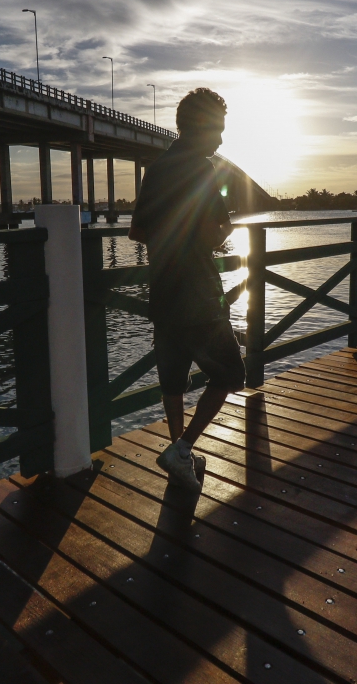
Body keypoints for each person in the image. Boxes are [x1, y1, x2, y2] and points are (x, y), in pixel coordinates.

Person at [129, 88, 245, 491]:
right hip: (199, 294)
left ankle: (179, 456)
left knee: (173, 381)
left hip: (163, 291)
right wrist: (206, 237)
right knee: (231, 374)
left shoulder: (156, 169)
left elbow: (136, 231)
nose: (221, 139)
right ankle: (182, 448)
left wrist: (170, 240)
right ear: (200, 127)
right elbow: (217, 231)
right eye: (218, 129)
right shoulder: (201, 169)